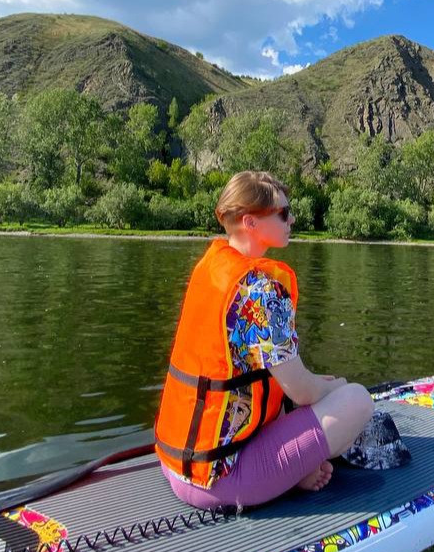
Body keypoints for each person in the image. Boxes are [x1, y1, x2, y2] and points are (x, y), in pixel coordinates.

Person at [154, 171, 374, 510]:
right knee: (357, 398)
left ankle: (292, 471)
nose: (293, 219)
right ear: (250, 222)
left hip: (174, 464)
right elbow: (302, 392)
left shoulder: (211, 267)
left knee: (317, 388)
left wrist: (317, 386)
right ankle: (288, 475)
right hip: (220, 480)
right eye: (283, 213)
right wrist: (337, 386)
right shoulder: (260, 292)